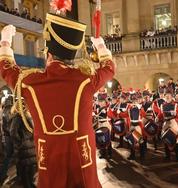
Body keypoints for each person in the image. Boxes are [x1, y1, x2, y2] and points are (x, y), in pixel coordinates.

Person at [0, 5, 115, 188]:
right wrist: (101, 46)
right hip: (82, 165)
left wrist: (5, 41)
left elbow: (7, 69)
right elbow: (109, 69)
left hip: (50, 164)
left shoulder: (30, 82)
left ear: (49, 54)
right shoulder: (85, 80)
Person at [10, 101, 37, 188]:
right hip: (32, 149)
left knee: (26, 179)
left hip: (24, 151)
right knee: (32, 177)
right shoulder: (29, 116)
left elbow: (13, 132)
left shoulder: (17, 117)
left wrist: (19, 143)